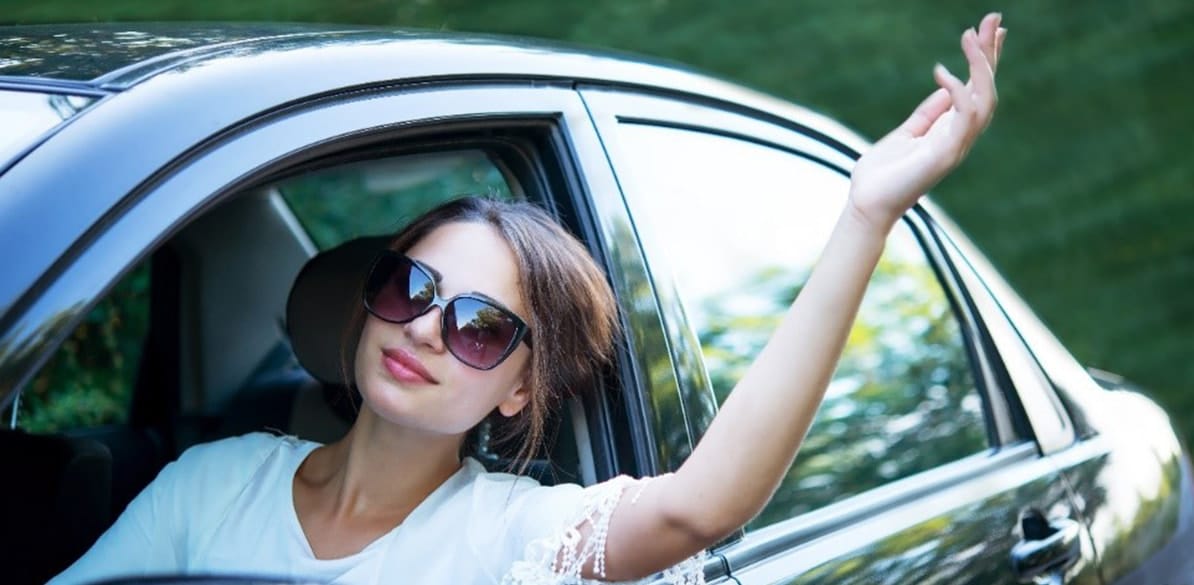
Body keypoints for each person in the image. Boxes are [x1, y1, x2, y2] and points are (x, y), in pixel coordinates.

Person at [50, 12, 1006, 585]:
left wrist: (867, 216)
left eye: (477, 327)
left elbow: (701, 506)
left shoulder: (510, 535)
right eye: (411, 285)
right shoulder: (212, 482)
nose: (427, 324)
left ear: (517, 388)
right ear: (369, 299)